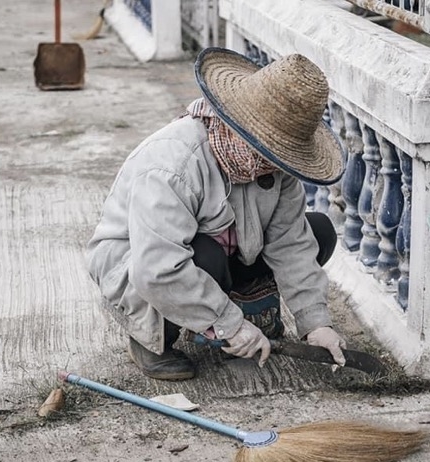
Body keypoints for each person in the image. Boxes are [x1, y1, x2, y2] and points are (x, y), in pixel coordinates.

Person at [85, 47, 348, 381]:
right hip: (140, 265)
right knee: (203, 256)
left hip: (227, 250)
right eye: (273, 150)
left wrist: (316, 323)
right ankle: (152, 339)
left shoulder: (276, 169)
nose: (278, 164)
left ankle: (232, 313)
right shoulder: (174, 164)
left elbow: (291, 243)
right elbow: (157, 267)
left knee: (319, 231)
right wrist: (230, 324)